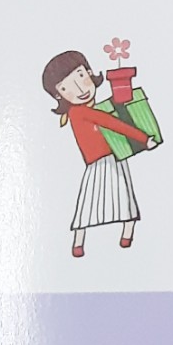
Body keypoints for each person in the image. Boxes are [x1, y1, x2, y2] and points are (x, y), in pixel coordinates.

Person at [43, 50, 151, 255]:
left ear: (90, 72)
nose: (79, 88)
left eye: (81, 76)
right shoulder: (79, 112)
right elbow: (111, 123)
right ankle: (82, 242)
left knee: (119, 198)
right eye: (66, 87)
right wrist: (144, 138)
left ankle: (120, 236)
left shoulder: (86, 109)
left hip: (112, 158)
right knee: (95, 201)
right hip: (100, 163)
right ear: (59, 95)